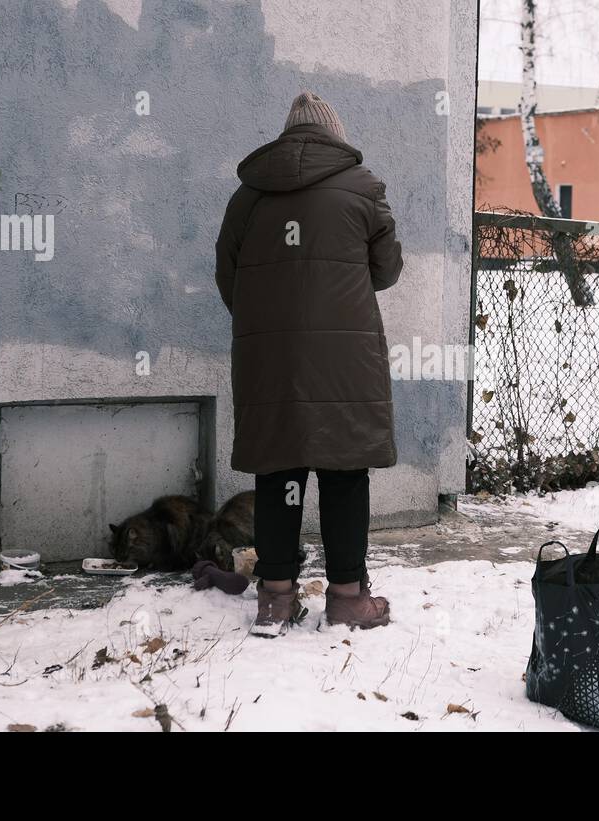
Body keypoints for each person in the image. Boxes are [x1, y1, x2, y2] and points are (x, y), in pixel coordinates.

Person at [214, 91, 403, 637]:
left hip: (269, 356)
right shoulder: (363, 188)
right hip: (345, 357)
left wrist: (272, 328)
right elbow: (386, 271)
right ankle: (346, 598)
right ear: (335, 137)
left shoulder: (247, 198)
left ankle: (275, 599)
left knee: (277, 470)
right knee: (345, 469)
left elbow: (231, 281)